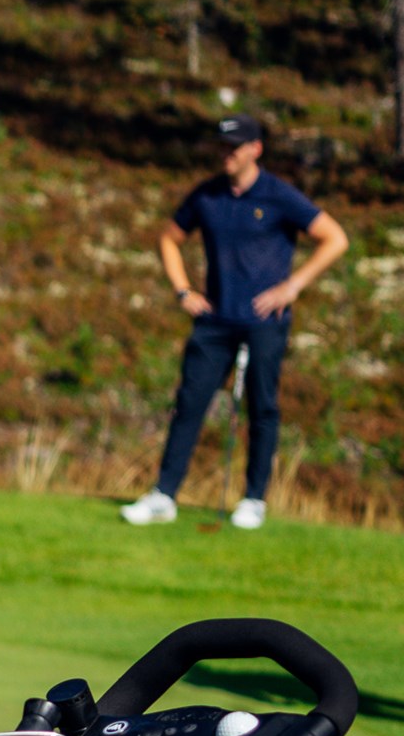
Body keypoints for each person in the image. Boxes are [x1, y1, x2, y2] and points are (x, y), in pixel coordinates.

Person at [121, 113, 348, 529]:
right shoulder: (206, 196)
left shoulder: (278, 195)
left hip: (265, 320)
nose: (226, 154)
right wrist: (183, 291)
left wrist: (292, 287)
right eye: (222, 146)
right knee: (190, 403)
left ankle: (254, 499)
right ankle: (164, 495)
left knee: (262, 407)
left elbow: (335, 238)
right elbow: (169, 239)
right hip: (215, 320)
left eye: (234, 147)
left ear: (255, 149)